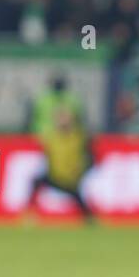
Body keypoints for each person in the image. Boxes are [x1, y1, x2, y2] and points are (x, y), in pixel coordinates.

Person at [27, 75, 94, 221]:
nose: (62, 121)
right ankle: (30, 213)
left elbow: (88, 157)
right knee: (37, 182)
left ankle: (89, 218)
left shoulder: (78, 137)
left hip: (70, 178)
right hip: (56, 176)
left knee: (77, 196)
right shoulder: (53, 137)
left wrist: (79, 172)